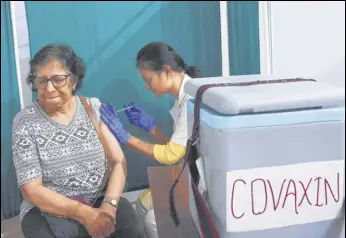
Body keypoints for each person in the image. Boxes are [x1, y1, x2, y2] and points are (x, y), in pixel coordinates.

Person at [12, 44, 144, 238]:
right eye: (42, 81)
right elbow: (31, 190)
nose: (49, 88)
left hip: (99, 197)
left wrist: (109, 206)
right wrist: (85, 214)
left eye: (58, 79)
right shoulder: (25, 122)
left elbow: (118, 161)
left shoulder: (92, 107)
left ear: (74, 81)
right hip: (49, 208)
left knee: (132, 230)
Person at [100, 42, 201, 237]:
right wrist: (152, 128)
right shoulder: (182, 97)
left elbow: (171, 155)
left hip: (202, 186)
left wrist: (125, 137)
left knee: (153, 220)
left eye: (148, 79)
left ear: (166, 71)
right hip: (189, 174)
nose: (147, 87)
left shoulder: (190, 99)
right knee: (143, 203)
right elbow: (179, 146)